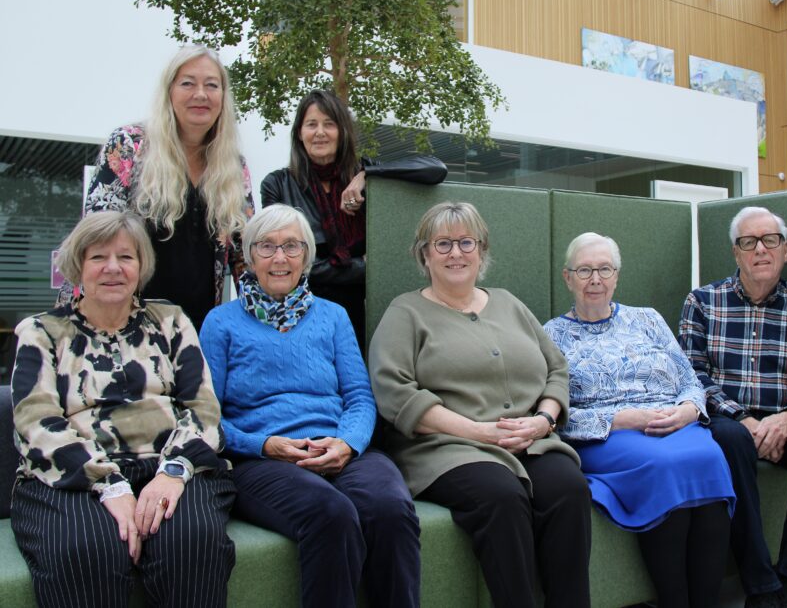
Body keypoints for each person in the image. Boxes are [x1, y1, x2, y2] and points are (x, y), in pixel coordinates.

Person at [369, 201, 592, 608]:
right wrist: (478, 431)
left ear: (481, 250)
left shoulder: (509, 303)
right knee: (501, 496)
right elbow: (395, 391)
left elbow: (556, 369)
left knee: (569, 488)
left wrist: (543, 420)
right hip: (448, 448)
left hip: (529, 439)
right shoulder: (406, 312)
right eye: (443, 244)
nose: (456, 253)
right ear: (424, 254)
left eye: (466, 242)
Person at [10, 211, 235, 608]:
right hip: (75, 473)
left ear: (141, 266)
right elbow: (35, 421)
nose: (112, 268)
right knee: (86, 549)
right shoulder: (42, 330)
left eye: (125, 257)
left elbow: (203, 408)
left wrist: (173, 473)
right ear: (78, 266)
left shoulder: (170, 321)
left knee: (192, 541)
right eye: (98, 257)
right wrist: (110, 485)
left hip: (168, 465)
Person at [199, 204, 420, 608]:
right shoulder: (221, 322)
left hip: (338, 445)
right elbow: (206, 415)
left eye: (291, 246)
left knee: (391, 508)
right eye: (266, 246)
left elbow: (359, 396)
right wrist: (263, 444)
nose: (279, 258)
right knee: (330, 513)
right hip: (261, 459)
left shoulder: (333, 316)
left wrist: (347, 443)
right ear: (249, 256)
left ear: (306, 256)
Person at [543, 232, 735, 608]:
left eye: (604, 269)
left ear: (616, 276)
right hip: (609, 434)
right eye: (584, 270)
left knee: (710, 457)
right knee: (663, 465)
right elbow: (557, 414)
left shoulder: (647, 318)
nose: (595, 279)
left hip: (674, 422)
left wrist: (688, 410)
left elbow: (689, 380)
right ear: (567, 277)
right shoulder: (552, 335)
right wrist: (621, 419)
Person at [678, 206, 787, 608]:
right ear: (736, 253)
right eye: (748, 242)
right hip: (727, 420)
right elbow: (690, 376)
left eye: (770, 240)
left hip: (786, 421)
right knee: (730, 441)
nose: (760, 250)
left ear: (785, 250)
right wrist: (743, 419)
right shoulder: (703, 302)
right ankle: (760, 584)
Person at [61, 45, 254, 330]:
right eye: (187, 83)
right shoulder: (128, 146)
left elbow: (243, 257)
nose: (200, 94)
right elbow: (97, 238)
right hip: (119, 326)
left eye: (212, 85)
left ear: (223, 97)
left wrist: (261, 320)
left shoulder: (234, 166)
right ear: (169, 91)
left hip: (194, 331)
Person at [261, 89, 446, 351]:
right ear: (299, 133)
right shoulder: (277, 185)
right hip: (304, 312)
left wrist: (368, 174)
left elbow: (435, 169)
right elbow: (286, 263)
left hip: (366, 311)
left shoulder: (366, 175)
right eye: (311, 124)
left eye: (329, 124)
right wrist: (363, 267)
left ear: (342, 132)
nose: (320, 132)